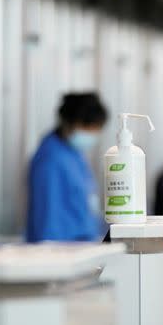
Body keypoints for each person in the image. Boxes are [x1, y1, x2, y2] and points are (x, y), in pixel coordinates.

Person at [26, 92, 107, 242]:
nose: (90, 134)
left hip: (82, 247)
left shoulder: (75, 155)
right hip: (59, 252)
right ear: (67, 122)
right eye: (86, 127)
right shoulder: (50, 159)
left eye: (95, 129)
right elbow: (48, 221)